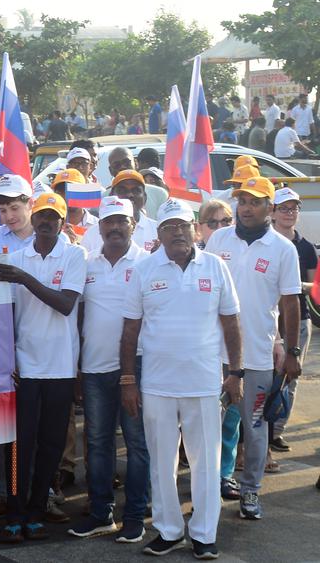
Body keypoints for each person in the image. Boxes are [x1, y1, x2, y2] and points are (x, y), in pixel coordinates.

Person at [119, 199, 243, 559]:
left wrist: (235, 372)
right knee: (161, 461)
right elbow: (130, 330)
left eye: (183, 225)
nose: (178, 233)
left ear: (195, 228)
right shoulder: (144, 270)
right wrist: (128, 379)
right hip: (157, 384)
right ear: (158, 234)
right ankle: (170, 530)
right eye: (170, 227)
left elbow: (231, 322)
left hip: (205, 383)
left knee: (206, 462)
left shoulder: (216, 267)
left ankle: (204, 534)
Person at [0, 193, 87, 544]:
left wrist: (24, 279)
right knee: (20, 446)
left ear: (63, 221)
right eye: (41, 215)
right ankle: (15, 512)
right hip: (25, 368)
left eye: (53, 216)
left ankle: (35, 510)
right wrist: (7, 357)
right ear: (33, 216)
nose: (46, 222)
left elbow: (64, 304)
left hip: (60, 366)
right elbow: (2, 316)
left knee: (51, 445)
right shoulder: (15, 258)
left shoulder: (75, 255)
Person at [204, 176, 302, 520]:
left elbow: (291, 304)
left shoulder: (283, 249)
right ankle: (211, 486)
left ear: (269, 208)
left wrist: (291, 351)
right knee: (208, 427)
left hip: (257, 357)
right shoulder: (218, 239)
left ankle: (250, 492)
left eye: (254, 201)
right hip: (212, 354)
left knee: (255, 426)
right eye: (242, 201)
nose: (245, 207)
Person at [68, 197, 150, 544]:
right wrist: (78, 365)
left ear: (133, 225)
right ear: (98, 226)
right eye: (109, 222)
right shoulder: (87, 264)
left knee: (136, 444)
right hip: (96, 368)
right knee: (98, 443)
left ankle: (135, 516)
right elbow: (80, 315)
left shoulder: (148, 263)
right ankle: (101, 514)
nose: (115, 227)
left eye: (122, 221)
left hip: (139, 367)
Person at [268, 187, 313, 453]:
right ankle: (257, 433)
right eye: (284, 208)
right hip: (271, 318)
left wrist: (295, 286)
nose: (290, 213)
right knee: (267, 377)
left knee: (290, 377)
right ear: (272, 212)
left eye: (294, 208)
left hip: (299, 318)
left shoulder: (305, 246)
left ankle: (277, 431)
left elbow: (313, 287)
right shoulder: (266, 242)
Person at [80, 170, 159, 254]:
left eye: (136, 190)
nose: (129, 195)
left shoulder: (157, 231)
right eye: (122, 190)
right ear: (111, 195)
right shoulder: (92, 233)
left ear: (145, 197)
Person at [0, 175, 34, 255]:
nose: (9, 217)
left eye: (14, 208)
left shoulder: (49, 235)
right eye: (3, 210)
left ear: (30, 204)